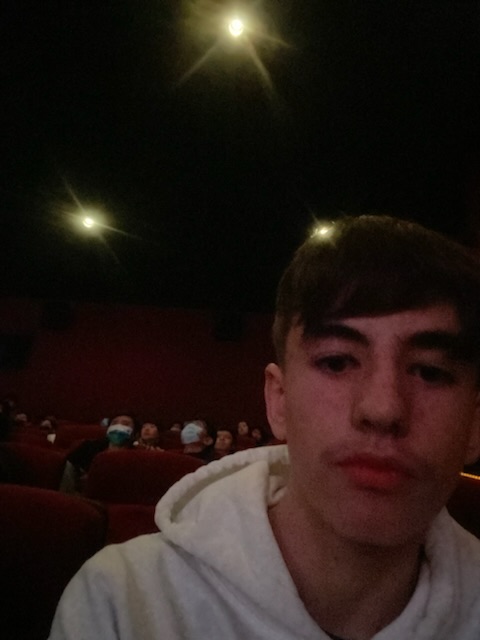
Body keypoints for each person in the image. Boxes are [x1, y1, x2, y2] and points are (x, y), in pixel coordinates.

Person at [49, 215, 480, 640]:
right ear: (278, 401)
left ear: (475, 424)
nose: (383, 409)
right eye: (336, 362)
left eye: (430, 372)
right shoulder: (122, 603)